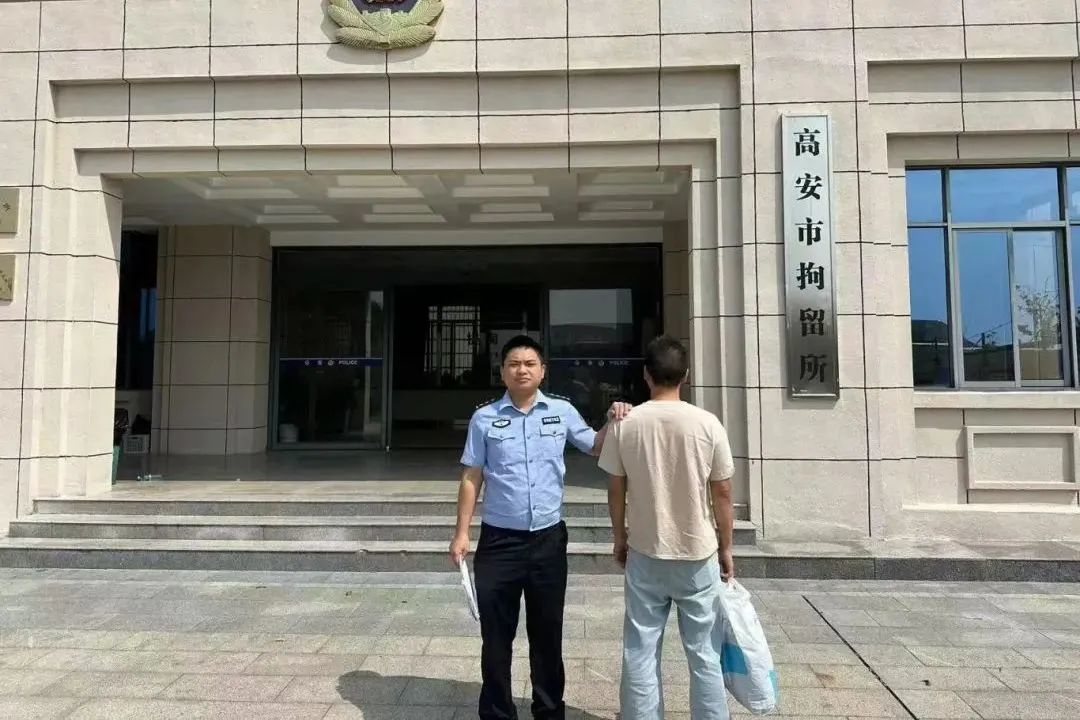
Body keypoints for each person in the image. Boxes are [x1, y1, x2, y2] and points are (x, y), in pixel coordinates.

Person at [450, 335, 631, 720]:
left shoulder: (561, 411)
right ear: (502, 372)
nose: (522, 370)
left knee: (547, 633)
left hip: (547, 541)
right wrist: (462, 532)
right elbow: (471, 477)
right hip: (499, 542)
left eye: (530, 363)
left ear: (543, 370)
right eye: (514, 364)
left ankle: (548, 711)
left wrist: (614, 418)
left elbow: (595, 445)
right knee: (496, 638)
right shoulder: (484, 418)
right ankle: (497, 712)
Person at [598, 335, 735, 720]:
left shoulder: (626, 424)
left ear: (646, 375)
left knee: (640, 648)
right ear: (686, 375)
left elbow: (615, 488)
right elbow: (722, 491)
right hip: (697, 553)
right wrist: (726, 546)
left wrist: (620, 538)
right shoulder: (707, 423)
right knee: (704, 653)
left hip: (645, 550)